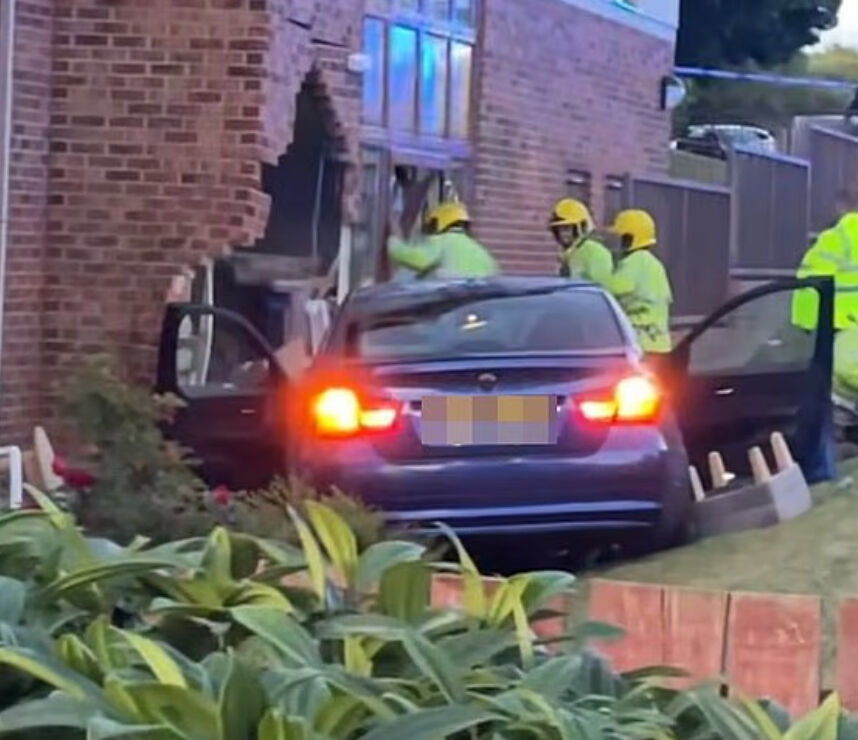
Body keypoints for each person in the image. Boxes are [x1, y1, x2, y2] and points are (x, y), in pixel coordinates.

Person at [607, 209, 673, 354]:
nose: (616, 245)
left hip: (642, 344)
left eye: (620, 238)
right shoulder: (655, 264)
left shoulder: (633, 262)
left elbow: (611, 290)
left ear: (630, 239)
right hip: (661, 345)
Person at [792, 187, 858, 332]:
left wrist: (806, 325)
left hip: (841, 326)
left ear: (841, 206)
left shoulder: (835, 238)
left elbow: (809, 280)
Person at [387, 201, 499, 280]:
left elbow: (420, 260)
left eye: (432, 224)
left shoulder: (443, 240)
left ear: (441, 221)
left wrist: (394, 245)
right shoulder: (481, 251)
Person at [548, 198, 613, 287]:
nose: (562, 234)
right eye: (559, 230)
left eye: (567, 229)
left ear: (581, 227)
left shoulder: (595, 252)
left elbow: (600, 288)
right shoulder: (568, 254)